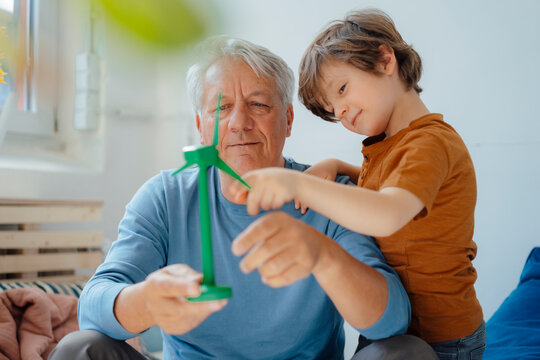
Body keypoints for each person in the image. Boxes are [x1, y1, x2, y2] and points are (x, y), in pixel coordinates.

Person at [49, 36, 437, 360]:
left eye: (258, 104)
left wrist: (322, 255)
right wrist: (146, 301)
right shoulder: (165, 197)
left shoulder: (328, 195)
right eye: (221, 107)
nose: (238, 123)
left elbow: (391, 323)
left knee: (407, 352)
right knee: (79, 349)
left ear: (287, 120)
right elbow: (92, 308)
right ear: (200, 127)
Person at [229, 9, 485, 359]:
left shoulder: (428, 143)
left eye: (343, 89)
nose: (343, 112)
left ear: (384, 60)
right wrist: (338, 167)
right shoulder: (391, 144)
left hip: (442, 337)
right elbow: (385, 188)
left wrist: (296, 184)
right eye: (333, 110)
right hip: (395, 330)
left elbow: (387, 213)